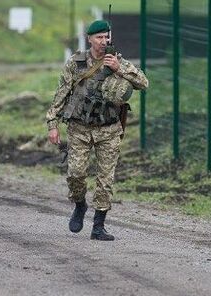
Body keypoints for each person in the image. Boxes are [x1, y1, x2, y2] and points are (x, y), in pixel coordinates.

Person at [46, 19, 148, 241]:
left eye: (106, 37)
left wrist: (118, 69)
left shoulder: (117, 61)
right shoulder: (77, 62)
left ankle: (98, 226)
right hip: (79, 128)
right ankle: (80, 205)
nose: (104, 41)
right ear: (90, 39)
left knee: (105, 179)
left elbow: (143, 83)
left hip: (109, 129)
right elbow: (61, 94)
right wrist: (52, 124)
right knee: (76, 174)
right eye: (99, 37)